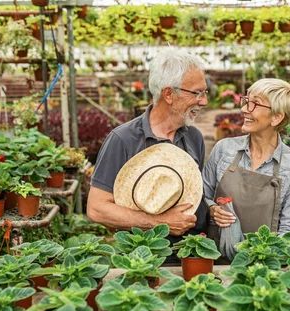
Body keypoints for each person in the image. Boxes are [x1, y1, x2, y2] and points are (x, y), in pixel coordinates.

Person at [87, 48, 209, 238]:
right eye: (197, 93)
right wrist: (160, 223)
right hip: (143, 257)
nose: (204, 102)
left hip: (190, 252)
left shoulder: (194, 137)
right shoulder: (123, 139)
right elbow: (97, 208)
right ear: (168, 94)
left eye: (205, 92)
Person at [203, 78, 290, 249]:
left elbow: (289, 229)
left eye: (255, 104)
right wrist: (212, 209)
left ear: (276, 117)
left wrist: (265, 261)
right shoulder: (224, 149)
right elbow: (201, 197)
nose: (244, 109)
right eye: (246, 101)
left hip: (264, 264)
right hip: (215, 261)